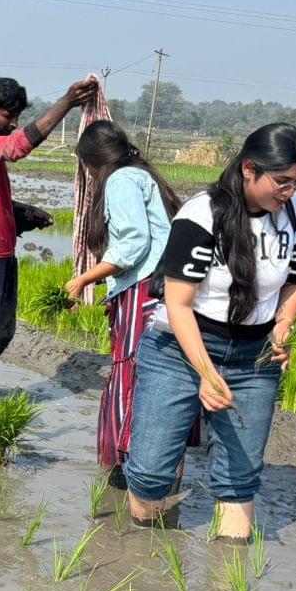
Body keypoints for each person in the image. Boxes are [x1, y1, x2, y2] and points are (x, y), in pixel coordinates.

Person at [125, 123, 296, 543]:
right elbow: (177, 304)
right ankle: (140, 561)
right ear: (250, 168)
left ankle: (230, 589)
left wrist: (282, 329)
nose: (290, 191)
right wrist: (207, 374)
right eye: (282, 182)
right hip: (180, 347)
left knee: (239, 476)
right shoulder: (201, 214)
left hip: (254, 356)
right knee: (152, 472)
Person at [0, 75, 97, 413]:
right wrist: (67, 103)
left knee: (1, 332)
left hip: (3, 254)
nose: (13, 123)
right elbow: (16, 147)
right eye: (8, 116)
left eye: (17, 116)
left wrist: (21, 215)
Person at [63, 122, 183, 497]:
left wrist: (84, 278)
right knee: (165, 377)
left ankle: (133, 466)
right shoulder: (144, 175)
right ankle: (162, 468)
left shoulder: (120, 181)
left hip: (145, 292)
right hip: (163, 288)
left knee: (135, 373)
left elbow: (132, 244)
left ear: (92, 162)